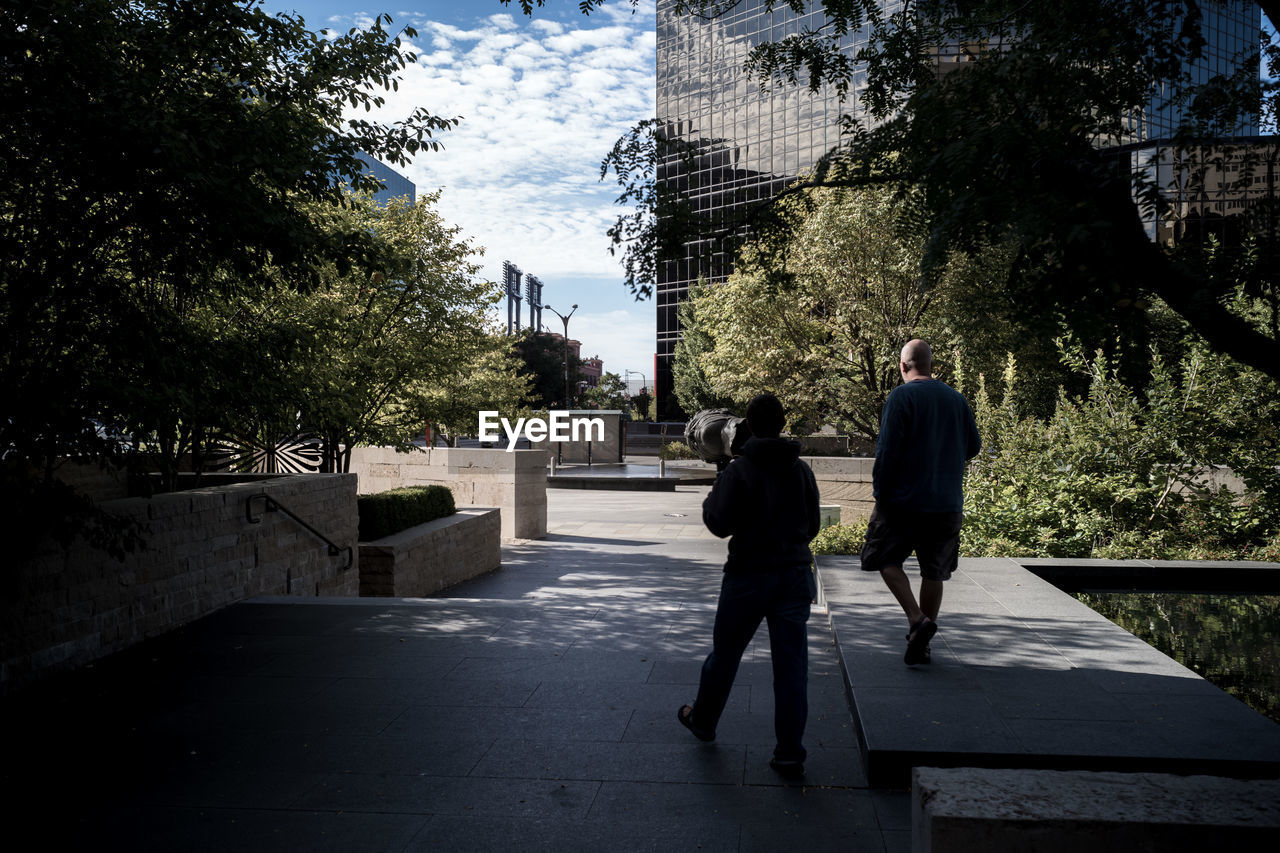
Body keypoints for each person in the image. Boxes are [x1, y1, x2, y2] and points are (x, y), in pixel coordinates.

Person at [677, 392, 821, 780]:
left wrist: (719, 485)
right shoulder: (801, 470)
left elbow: (718, 523)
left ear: (750, 427)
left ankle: (704, 721)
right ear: (781, 422)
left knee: (725, 655)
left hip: (747, 577)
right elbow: (814, 527)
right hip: (792, 577)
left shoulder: (739, 471)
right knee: (792, 668)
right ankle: (790, 752)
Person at [861, 339, 981, 666]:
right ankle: (921, 645)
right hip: (946, 503)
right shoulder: (957, 400)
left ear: (903, 366)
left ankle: (917, 619)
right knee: (934, 572)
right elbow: (973, 446)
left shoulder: (902, 397)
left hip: (903, 502)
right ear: (931, 364)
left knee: (881, 556)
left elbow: (886, 452)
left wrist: (880, 495)